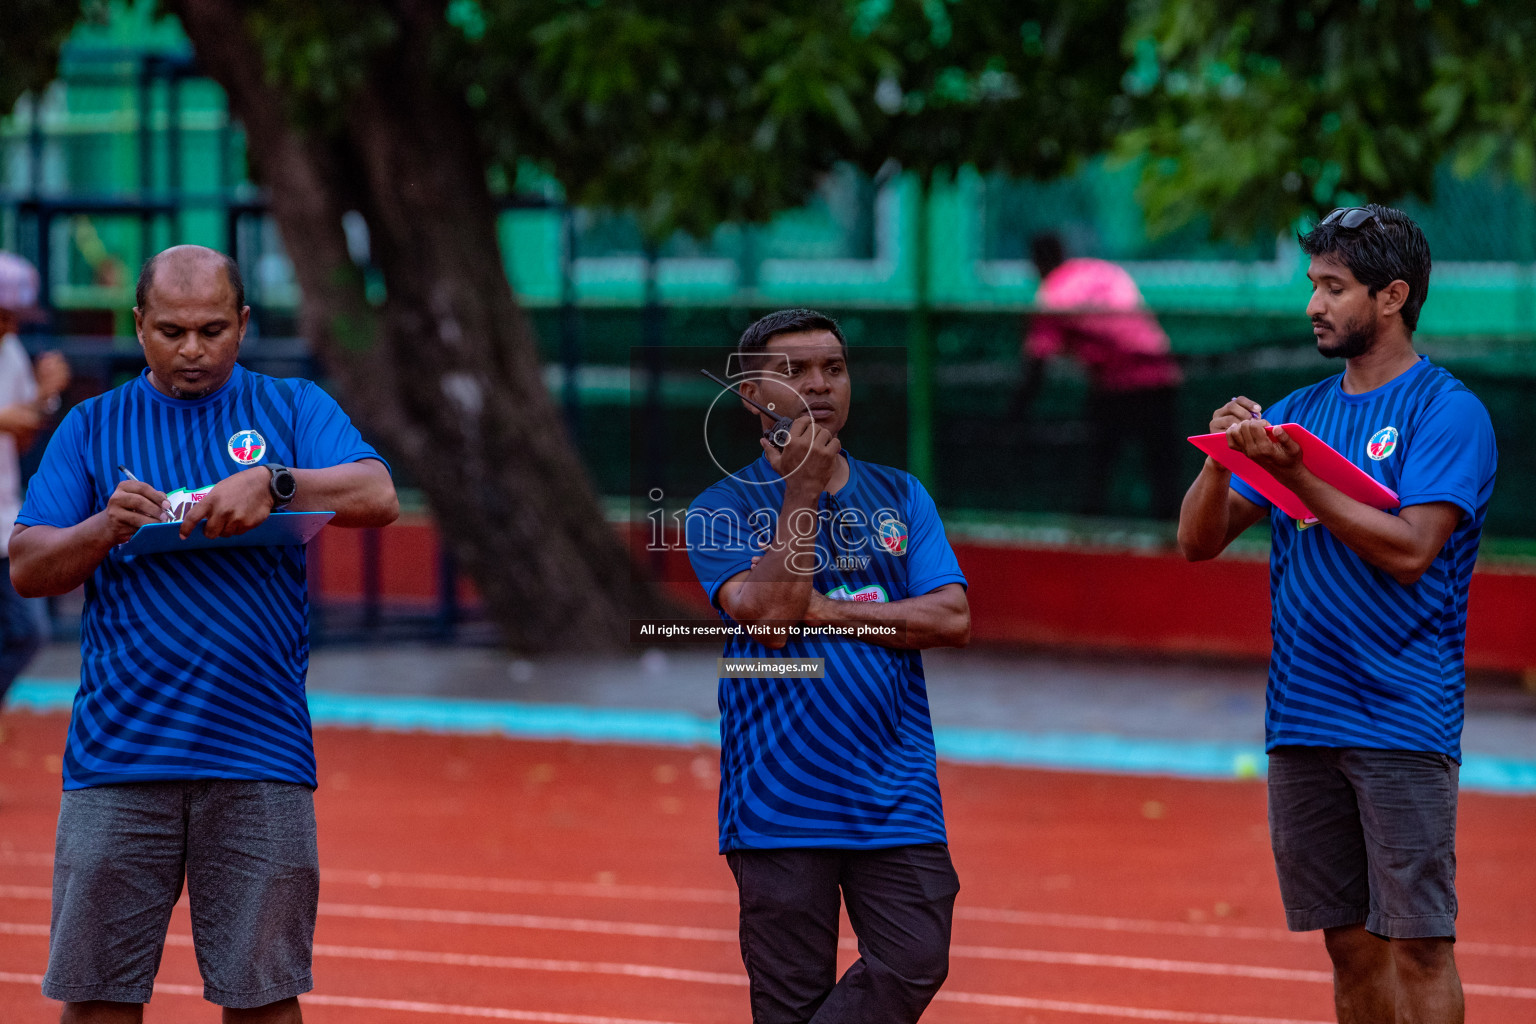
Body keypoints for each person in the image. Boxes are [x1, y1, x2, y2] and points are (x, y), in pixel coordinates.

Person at [10, 244, 400, 1024]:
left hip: (260, 758)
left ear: (245, 324)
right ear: (139, 326)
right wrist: (102, 528)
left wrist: (278, 480)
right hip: (119, 759)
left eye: (214, 330)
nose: (193, 349)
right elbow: (27, 565)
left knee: (263, 1002)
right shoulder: (92, 426)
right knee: (95, 1003)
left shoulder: (292, 408)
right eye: (172, 331)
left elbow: (379, 492)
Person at [1177, 205, 1495, 1024]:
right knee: (1347, 942)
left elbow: (1411, 548)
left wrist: (1302, 479)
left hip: (1401, 718)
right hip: (1303, 717)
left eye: (1334, 287)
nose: (1313, 305)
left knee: (1421, 942)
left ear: (1393, 297)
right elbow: (1197, 543)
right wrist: (1220, 463)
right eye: (1312, 285)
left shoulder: (1446, 412)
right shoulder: (1299, 412)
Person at [686, 309, 971, 1023]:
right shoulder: (718, 508)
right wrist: (804, 491)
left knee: (913, 962)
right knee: (790, 1001)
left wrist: (831, 612)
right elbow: (775, 621)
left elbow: (950, 617)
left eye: (833, 368)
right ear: (752, 395)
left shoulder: (903, 495)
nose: (819, 384)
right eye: (794, 371)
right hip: (779, 798)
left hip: (894, 792)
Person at [1015, 233, 1184, 518]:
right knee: (1162, 465)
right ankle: (1174, 539)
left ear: (1036, 264)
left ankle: (1089, 534)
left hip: (1116, 385)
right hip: (1160, 375)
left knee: (1098, 464)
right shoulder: (1102, 271)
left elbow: (1037, 361)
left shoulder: (1051, 295)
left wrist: (1017, 410)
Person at [0, 253, 69, 729]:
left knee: (27, 632)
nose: (10, 326)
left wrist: (46, 396)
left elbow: (22, 433)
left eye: (16, 317)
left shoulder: (10, 350)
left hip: (2, 517)